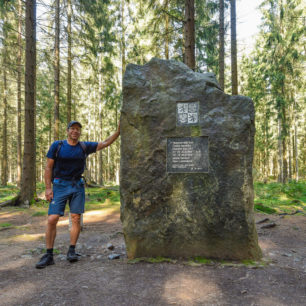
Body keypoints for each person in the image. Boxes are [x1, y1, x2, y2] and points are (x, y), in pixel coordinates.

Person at [35, 120, 120, 269]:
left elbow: (105, 143)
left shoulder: (84, 146)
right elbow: (48, 168)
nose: (75, 131)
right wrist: (48, 189)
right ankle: (48, 254)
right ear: (68, 131)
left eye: (78, 129)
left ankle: (72, 250)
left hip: (77, 186)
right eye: (73, 129)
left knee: (76, 218)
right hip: (60, 185)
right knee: (52, 219)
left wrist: (118, 131)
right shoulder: (57, 146)